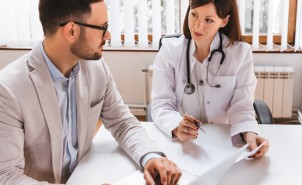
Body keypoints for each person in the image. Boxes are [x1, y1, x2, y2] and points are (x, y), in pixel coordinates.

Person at [0, 0, 181, 184]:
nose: (108, 35)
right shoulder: (8, 90)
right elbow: (6, 177)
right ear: (71, 31)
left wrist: (150, 156)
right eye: (103, 27)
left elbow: (122, 122)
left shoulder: (96, 67)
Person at [151, 0, 269, 158]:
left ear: (224, 21)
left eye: (208, 20)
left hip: (223, 142)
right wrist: (176, 126)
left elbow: (241, 107)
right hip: (184, 145)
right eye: (194, 15)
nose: (197, 26)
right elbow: (161, 103)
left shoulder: (240, 54)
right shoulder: (170, 50)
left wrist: (250, 135)